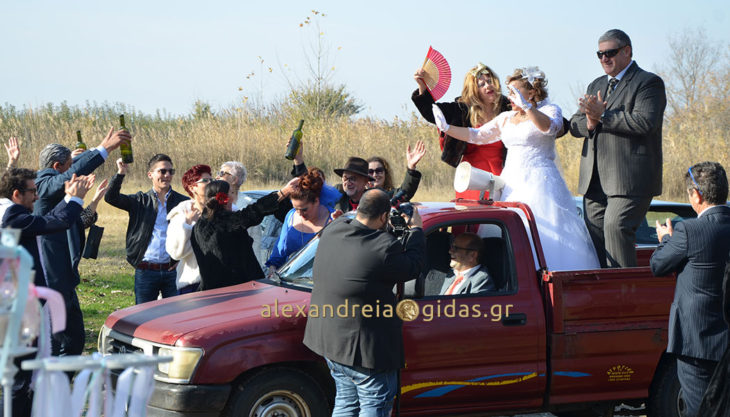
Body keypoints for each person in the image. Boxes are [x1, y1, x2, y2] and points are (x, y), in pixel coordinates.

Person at [433, 67, 600, 271]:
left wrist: (528, 107)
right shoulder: (506, 117)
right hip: (512, 183)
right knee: (511, 231)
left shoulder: (550, 110)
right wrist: (446, 128)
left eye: (515, 92)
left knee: (544, 231)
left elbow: (549, 128)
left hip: (541, 183)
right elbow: (476, 135)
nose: (510, 97)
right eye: (510, 92)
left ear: (531, 93)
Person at [303, 189, 426, 416]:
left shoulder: (333, 229)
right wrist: (416, 229)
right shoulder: (384, 247)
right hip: (365, 353)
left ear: (359, 210)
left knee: (346, 403)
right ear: (383, 217)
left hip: (331, 343)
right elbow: (414, 265)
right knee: (374, 405)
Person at [0, 168, 94, 417]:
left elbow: (46, 221)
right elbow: (57, 222)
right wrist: (75, 199)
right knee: (20, 378)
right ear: (17, 194)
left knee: (23, 374)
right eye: (33, 191)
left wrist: (67, 200)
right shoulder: (11, 216)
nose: (37, 196)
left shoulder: (11, 212)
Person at [569, 29, 667, 268]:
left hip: (629, 181)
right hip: (594, 181)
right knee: (595, 241)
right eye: (599, 54)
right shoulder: (597, 84)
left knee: (616, 227)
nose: (604, 59)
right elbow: (574, 124)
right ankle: (605, 296)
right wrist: (591, 122)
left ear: (627, 51)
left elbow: (645, 122)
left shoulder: (648, 82)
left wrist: (603, 116)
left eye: (610, 53)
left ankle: (626, 297)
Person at [34, 128, 130, 356]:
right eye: (69, 165)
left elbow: (70, 177)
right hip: (51, 280)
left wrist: (79, 159)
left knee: (74, 341)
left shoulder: (55, 186)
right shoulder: (43, 184)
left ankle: (59, 385)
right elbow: (66, 177)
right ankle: (43, 389)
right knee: (54, 343)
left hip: (66, 278)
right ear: (57, 167)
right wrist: (103, 149)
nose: (73, 173)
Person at [650, 162, 730, 417]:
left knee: (697, 409)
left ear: (696, 195)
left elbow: (658, 265)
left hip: (697, 340)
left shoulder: (689, 230)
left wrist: (665, 239)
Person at [412, 63, 511, 200]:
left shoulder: (508, 108)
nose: (488, 86)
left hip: (504, 177)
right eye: (482, 84)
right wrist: (422, 86)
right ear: (473, 90)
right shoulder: (461, 110)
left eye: (490, 81)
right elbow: (433, 112)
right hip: (472, 180)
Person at [105, 155, 189, 304]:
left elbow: (193, 232)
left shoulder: (182, 202)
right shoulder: (140, 201)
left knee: (176, 317)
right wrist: (121, 173)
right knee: (143, 317)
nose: (167, 175)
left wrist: (182, 258)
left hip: (173, 271)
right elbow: (111, 197)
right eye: (162, 171)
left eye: (171, 171)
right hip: (146, 270)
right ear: (150, 175)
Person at [191, 178, 298, 291]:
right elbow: (255, 211)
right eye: (231, 193)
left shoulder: (198, 226)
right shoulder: (226, 222)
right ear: (226, 198)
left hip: (210, 292)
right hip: (238, 291)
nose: (233, 196)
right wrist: (283, 192)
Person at [265, 168, 333, 272]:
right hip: (289, 279)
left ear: (316, 201)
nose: (300, 214)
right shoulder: (291, 215)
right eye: (296, 209)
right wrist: (272, 268)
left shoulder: (333, 218)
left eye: (304, 209)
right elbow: (279, 253)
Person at [166, 164, 212, 294]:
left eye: (212, 180)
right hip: (192, 283)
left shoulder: (220, 212)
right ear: (193, 188)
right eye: (205, 180)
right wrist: (188, 226)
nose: (210, 183)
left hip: (220, 281)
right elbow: (176, 253)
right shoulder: (180, 216)